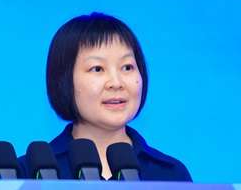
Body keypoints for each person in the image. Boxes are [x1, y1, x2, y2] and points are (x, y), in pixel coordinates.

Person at [19, 12, 192, 181]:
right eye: (97, 69)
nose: (116, 83)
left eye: (127, 67)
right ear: (63, 79)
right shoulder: (29, 174)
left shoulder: (170, 175)